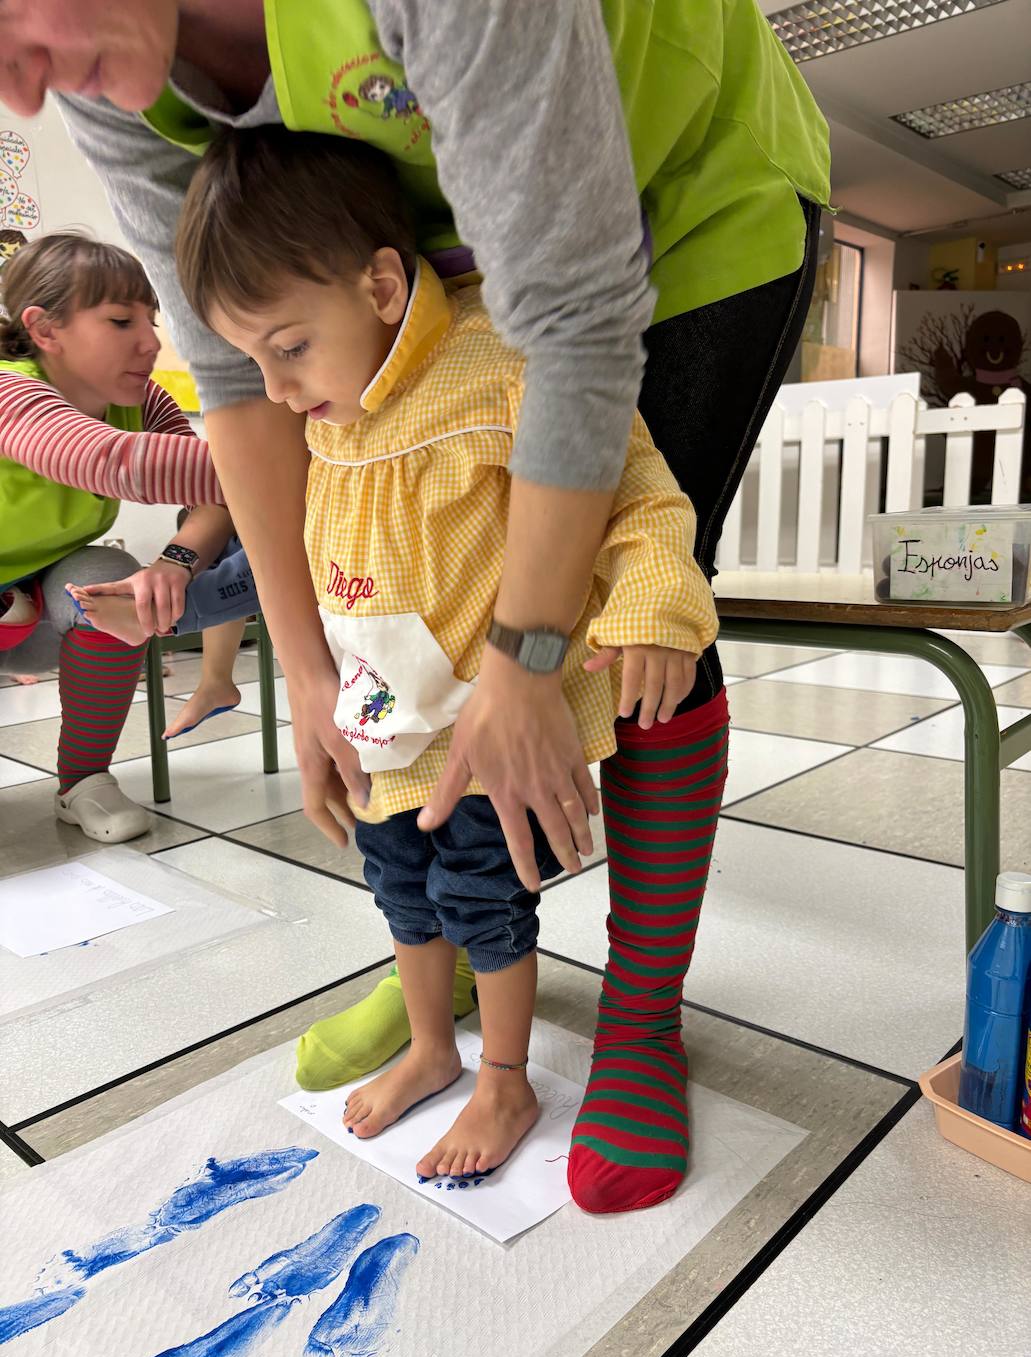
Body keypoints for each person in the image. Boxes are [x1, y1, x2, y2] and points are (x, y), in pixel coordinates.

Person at [0, 0, 830, 1212]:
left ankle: (639, 1021)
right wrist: (307, 672)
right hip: (413, 283)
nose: (17, 92)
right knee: (430, 771)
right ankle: (444, 964)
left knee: (638, 629)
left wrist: (529, 657)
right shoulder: (89, 70)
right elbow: (236, 378)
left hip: (676, 200)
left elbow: (580, 333)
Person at [178, 125, 721, 1180]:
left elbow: (638, 496)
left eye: (287, 347)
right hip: (381, 726)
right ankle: (433, 1046)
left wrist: (654, 609)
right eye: (253, 363)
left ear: (383, 285)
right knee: (399, 894)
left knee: (485, 897)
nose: (277, 391)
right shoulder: (328, 409)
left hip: (483, 725)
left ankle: (505, 1077)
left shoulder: (497, 364)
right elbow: (292, 542)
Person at [0, 234, 257, 839]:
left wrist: (177, 560)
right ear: (44, 329)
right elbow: (109, 461)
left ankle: (83, 781)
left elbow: (214, 494)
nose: (150, 342)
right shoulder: (9, 387)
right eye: (120, 321)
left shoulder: (141, 399)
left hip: (30, 603)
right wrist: (303, 463)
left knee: (105, 584)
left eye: (152, 318)